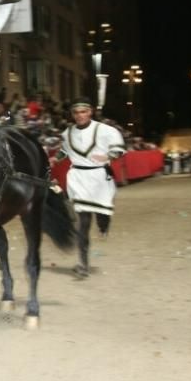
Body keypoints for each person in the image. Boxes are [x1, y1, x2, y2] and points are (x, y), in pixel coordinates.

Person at [57, 97, 127, 278]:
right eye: (76, 112)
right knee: (83, 222)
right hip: (78, 178)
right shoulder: (68, 133)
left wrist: (108, 156)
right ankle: (83, 263)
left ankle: (104, 224)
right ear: (72, 114)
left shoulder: (106, 130)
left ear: (90, 112)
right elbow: (64, 152)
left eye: (83, 112)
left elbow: (118, 150)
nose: (80, 116)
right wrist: (52, 159)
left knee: (102, 216)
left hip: (99, 178)